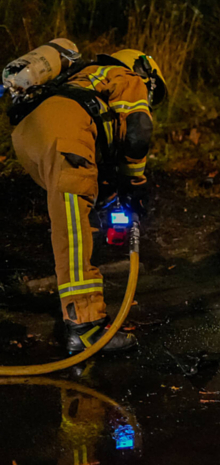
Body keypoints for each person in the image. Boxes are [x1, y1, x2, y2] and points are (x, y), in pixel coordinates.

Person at [12, 49, 166, 353]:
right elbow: (138, 132)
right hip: (65, 137)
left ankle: (81, 312)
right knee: (72, 232)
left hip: (29, 135)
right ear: (143, 68)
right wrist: (135, 184)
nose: (150, 98)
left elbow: (104, 148)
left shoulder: (82, 79)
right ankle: (84, 327)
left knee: (78, 213)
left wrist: (113, 198)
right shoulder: (127, 76)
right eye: (153, 91)